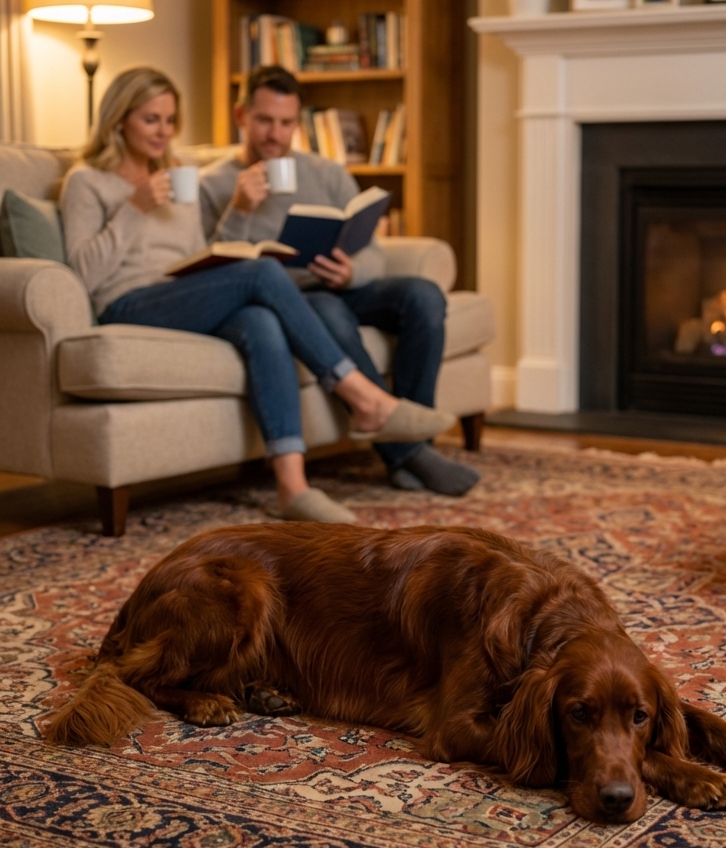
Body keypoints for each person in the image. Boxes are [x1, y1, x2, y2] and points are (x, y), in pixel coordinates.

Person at [59, 67, 455, 525]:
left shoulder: (176, 174)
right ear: (119, 119)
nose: (163, 131)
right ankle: (365, 399)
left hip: (179, 294)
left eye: (169, 120)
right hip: (126, 301)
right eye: (151, 119)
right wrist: (134, 209)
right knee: (264, 272)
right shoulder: (87, 182)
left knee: (261, 321)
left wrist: (209, 263)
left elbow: (193, 251)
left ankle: (292, 488)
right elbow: (82, 275)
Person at [200, 65, 481, 497]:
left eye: (286, 122)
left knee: (423, 297)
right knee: (328, 310)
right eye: (264, 121)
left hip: (345, 284)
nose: (275, 135)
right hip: (295, 302)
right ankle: (410, 454)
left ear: (297, 121)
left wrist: (353, 270)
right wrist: (240, 209)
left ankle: (414, 443)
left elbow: (371, 248)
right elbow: (214, 270)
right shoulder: (214, 185)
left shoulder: (325, 173)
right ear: (241, 116)